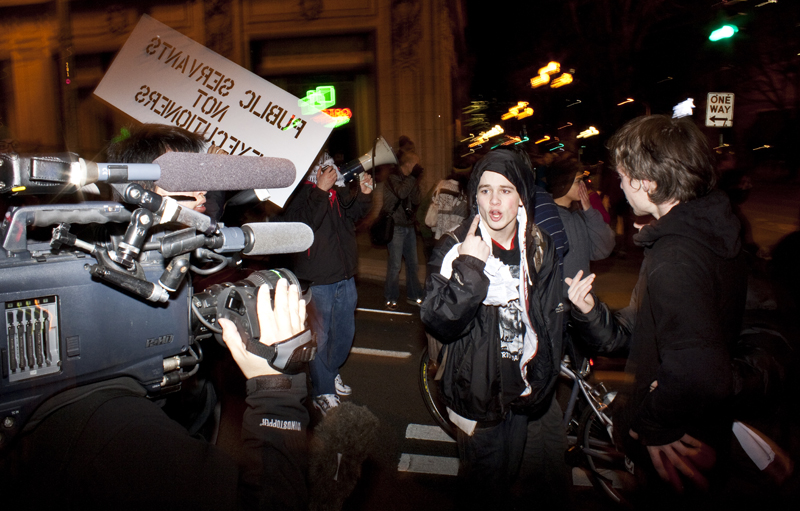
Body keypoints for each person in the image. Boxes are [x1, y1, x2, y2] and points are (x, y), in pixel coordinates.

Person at [565, 115, 748, 509]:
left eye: (623, 175)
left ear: (647, 182)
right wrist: (592, 311)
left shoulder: (676, 256)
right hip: (701, 430)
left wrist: (652, 426)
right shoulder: (711, 228)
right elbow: (650, 328)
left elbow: (699, 372)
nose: (619, 184)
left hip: (680, 447)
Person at [420, 148, 570, 510]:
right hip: (477, 391)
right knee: (482, 486)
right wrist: (470, 266)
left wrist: (545, 377)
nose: (494, 202)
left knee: (507, 476)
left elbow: (551, 317)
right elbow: (438, 319)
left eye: (505, 190)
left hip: (521, 391)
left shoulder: (538, 245)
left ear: (521, 195)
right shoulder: (455, 246)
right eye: (485, 190)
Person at [279, 151, 374, 415]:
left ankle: (330, 374)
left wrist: (364, 194)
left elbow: (353, 215)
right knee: (320, 338)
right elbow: (301, 227)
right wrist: (320, 191)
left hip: (345, 274)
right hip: (317, 277)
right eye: (323, 163)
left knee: (343, 333)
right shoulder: (297, 191)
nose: (330, 165)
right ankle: (322, 390)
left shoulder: (338, 189)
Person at [544, 158, 615, 308]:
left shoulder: (581, 216)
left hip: (583, 303)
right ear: (563, 183)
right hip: (556, 306)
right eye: (578, 181)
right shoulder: (547, 218)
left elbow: (603, 249)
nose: (583, 185)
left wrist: (590, 211)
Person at [382, 148, 424, 310]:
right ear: (407, 164)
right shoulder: (393, 178)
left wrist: (415, 181)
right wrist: (412, 178)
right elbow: (401, 193)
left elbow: (416, 199)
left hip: (408, 226)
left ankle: (414, 295)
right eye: (416, 164)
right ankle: (390, 297)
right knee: (395, 265)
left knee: (413, 264)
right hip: (395, 226)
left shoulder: (410, 179)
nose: (418, 166)